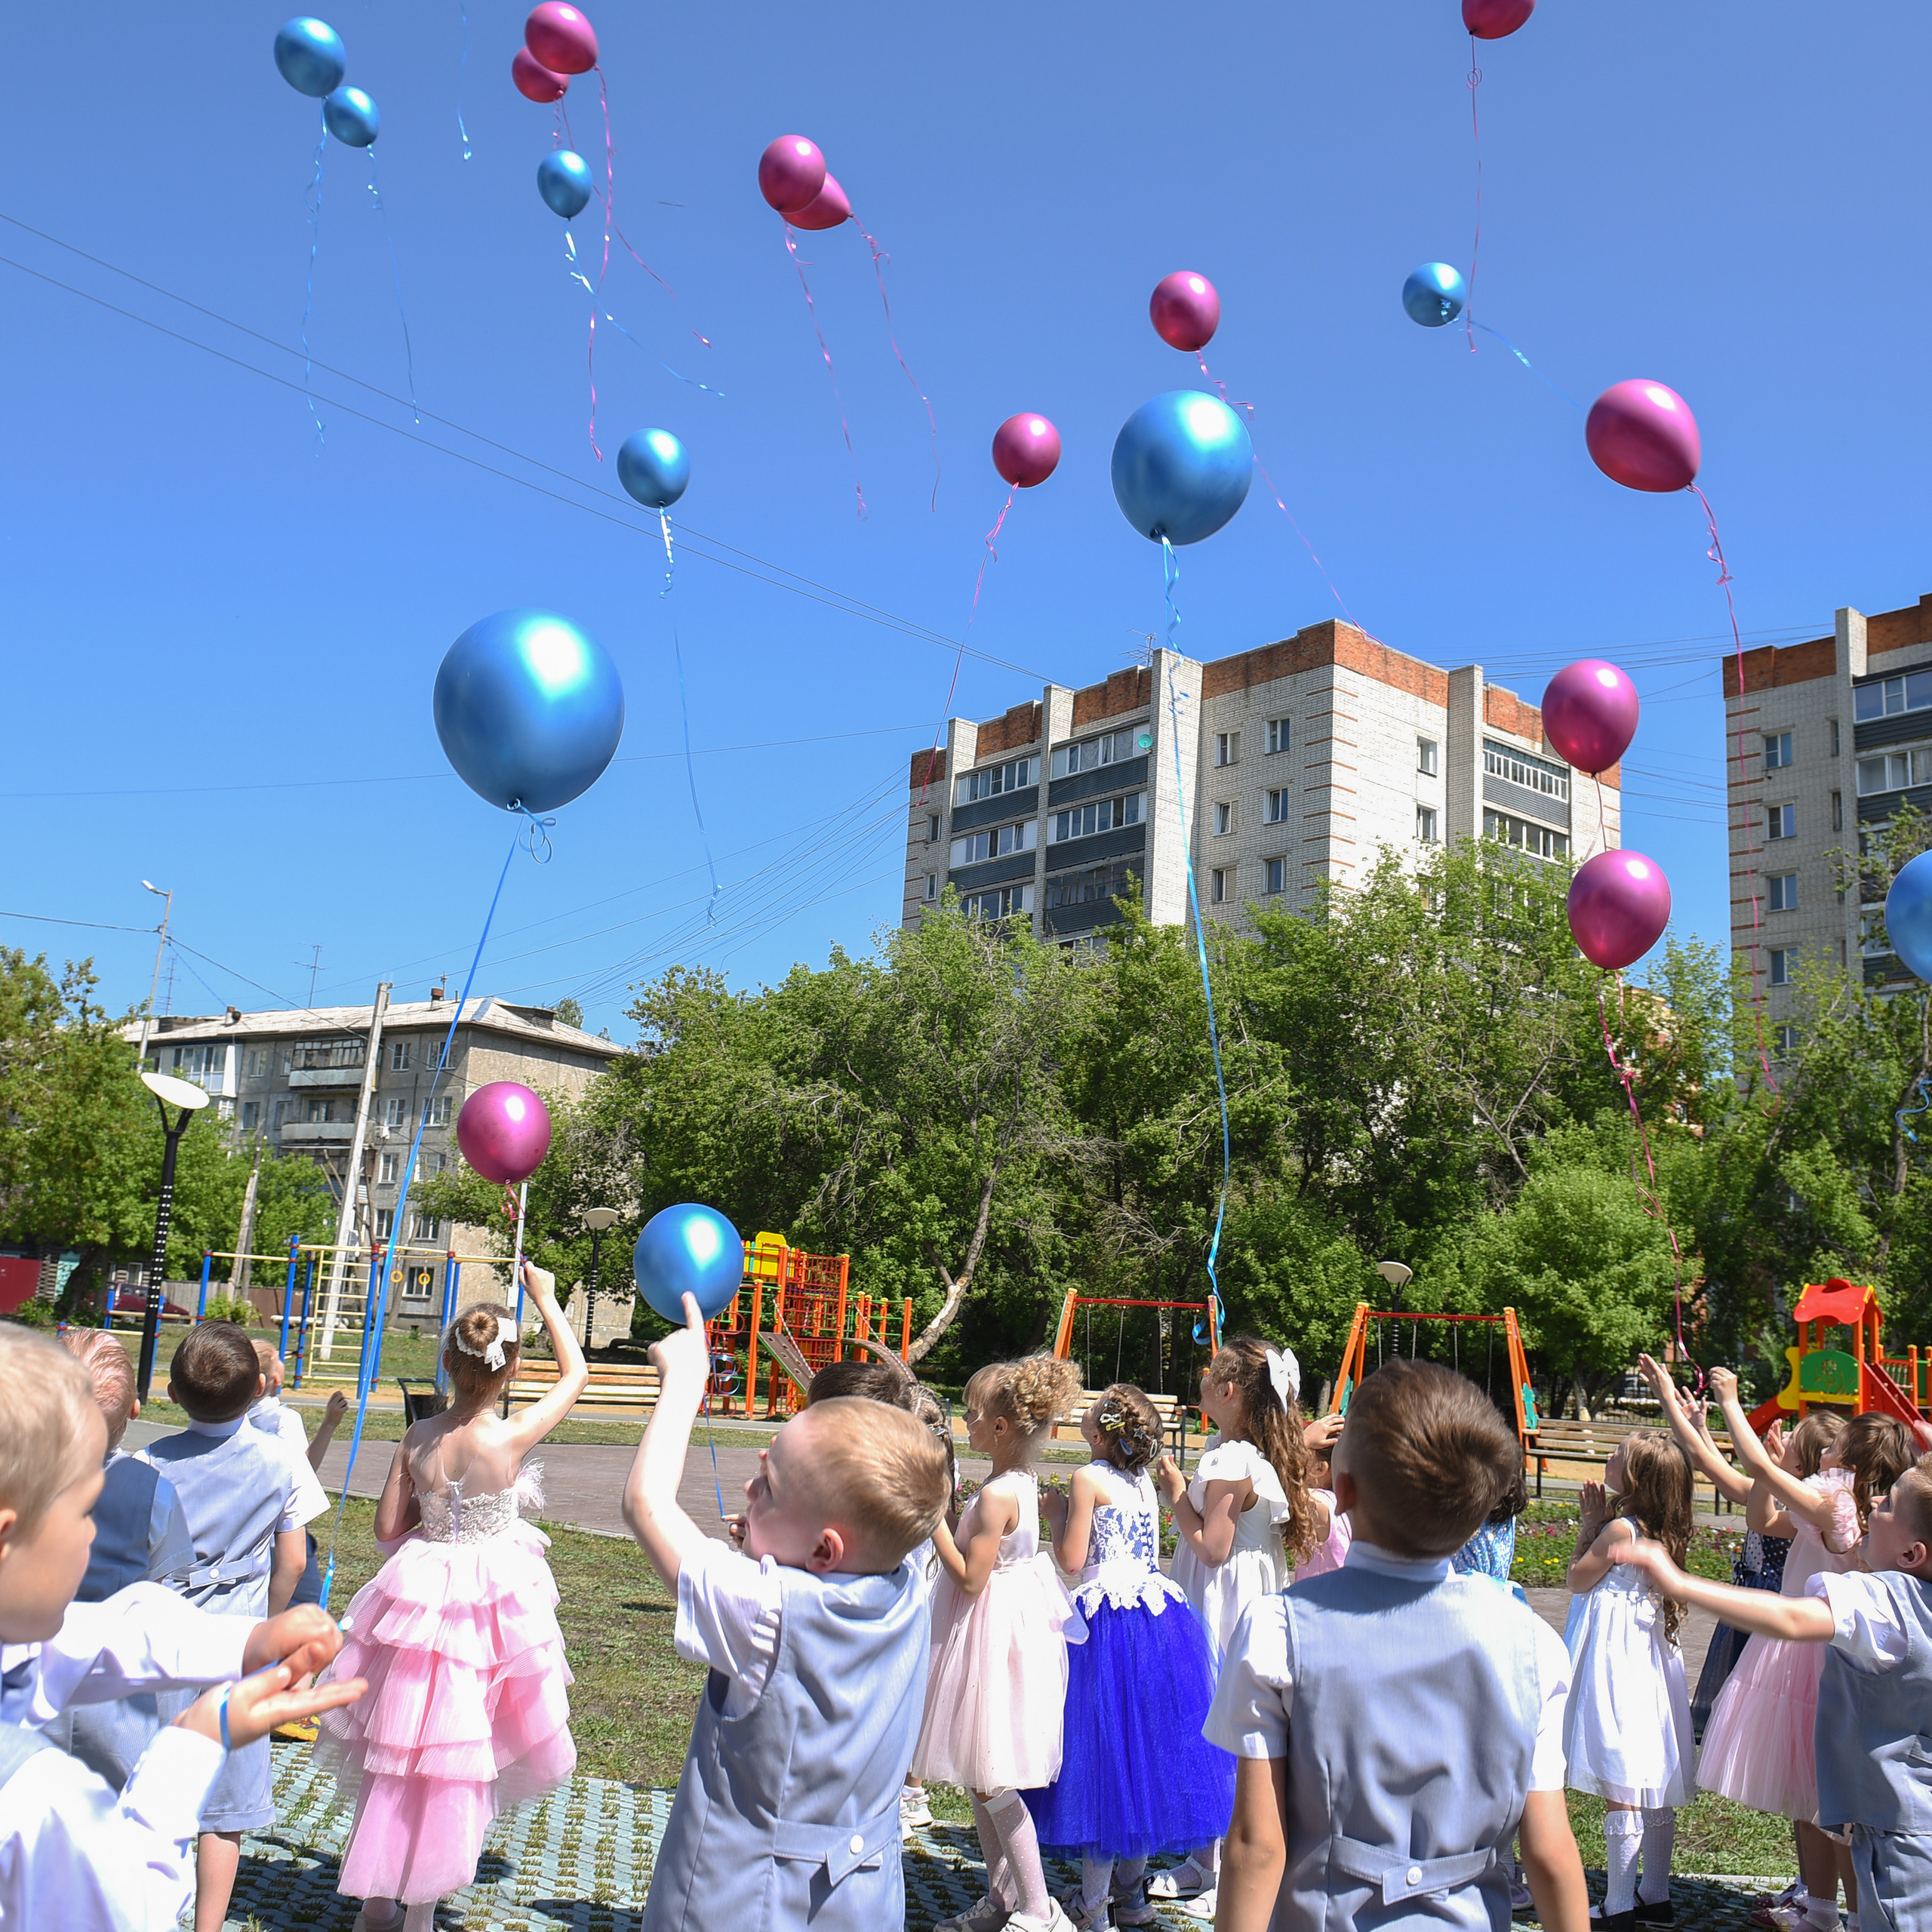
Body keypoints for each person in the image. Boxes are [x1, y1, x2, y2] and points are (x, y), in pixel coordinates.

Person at [0, 1324, 363, 1932]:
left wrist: (247, 1642)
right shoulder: (39, 1791)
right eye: (83, 1511)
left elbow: (104, 1637)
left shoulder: (23, 1648)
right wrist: (196, 1742)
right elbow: (129, 1904)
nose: (93, 1531)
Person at [1207, 1358, 1589, 1932]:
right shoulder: (1533, 1644)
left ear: (1342, 1490)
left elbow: (1256, 1845)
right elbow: (1550, 1852)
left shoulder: (1276, 1630)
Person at [623, 1293, 952, 1932]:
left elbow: (646, 1503)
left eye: (768, 1487)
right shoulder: (907, 1581)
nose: (750, 1490)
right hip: (861, 1900)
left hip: (743, 1901)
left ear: (825, 1550)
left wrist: (685, 1383)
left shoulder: (763, 1610)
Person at [312, 1263, 587, 1932]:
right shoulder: (509, 1435)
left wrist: (432, 1511)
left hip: (421, 1595)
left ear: (446, 1364)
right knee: (456, 1752)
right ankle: (419, 1914)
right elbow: (576, 1376)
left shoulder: (418, 1437)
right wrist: (547, 1300)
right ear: (510, 1370)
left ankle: (377, 1904)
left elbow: (387, 1530)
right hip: (485, 1608)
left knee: (399, 1749)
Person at [1612, 1458, 1932, 1932]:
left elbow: (1791, 1617)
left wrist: (1680, 1582)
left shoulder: (1888, 1602)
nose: (1877, 1501)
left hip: (1899, 1842)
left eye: (1889, 1507)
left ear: (1911, 1554)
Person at [1700, 1368, 1914, 1932]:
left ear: (1855, 1462)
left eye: (1837, 1446)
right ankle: (1821, 1911)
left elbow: (1756, 1465)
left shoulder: (1840, 1507)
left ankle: (1852, 1915)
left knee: (1830, 1808)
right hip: (1801, 1655)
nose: (1825, 1451)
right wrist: (1771, 1473)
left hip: (1820, 1657)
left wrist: (1730, 1402)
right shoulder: (1837, 1502)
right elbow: (1762, 1519)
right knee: (1807, 1799)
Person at [138, 1319, 329, 1932]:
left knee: (156, 1786)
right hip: (238, 1642)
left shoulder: (146, 1464)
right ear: (259, 1391)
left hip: (164, 1639)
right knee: (225, 1808)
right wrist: (269, 1627)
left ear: (173, 1393)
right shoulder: (282, 1459)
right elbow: (293, 1561)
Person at [1027, 1383, 1235, 1930]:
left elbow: (1073, 1561)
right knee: (1144, 1755)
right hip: (1157, 1615)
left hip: (1107, 1624)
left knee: (1103, 1758)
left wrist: (1055, 1514)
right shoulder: (1143, 1481)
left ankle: (1094, 1906)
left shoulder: (1087, 1479)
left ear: (1100, 1434)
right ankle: (1133, 1897)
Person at [1151, 1337, 1326, 1919]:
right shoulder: (1238, 1452)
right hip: (1240, 1592)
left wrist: (1176, 1495)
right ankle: (1206, 1858)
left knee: (1224, 1725)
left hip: (1225, 1601)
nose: (1201, 1380)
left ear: (1227, 1391)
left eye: (1209, 1374)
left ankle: (1226, 1871)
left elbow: (1212, 1547)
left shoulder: (1230, 1462)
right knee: (1213, 1724)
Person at [912, 1352, 1086, 1932]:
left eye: (972, 1414)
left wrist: (934, 1520)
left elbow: (970, 1578)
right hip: (1000, 1627)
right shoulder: (1020, 1482)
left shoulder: (996, 1496)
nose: (966, 1422)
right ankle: (1001, 1896)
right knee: (979, 1770)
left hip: (988, 1634)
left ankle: (1038, 1907)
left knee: (992, 1778)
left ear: (1001, 1427)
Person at [799, 1353, 955, 1841]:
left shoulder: (874, 1477)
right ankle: (888, 1800)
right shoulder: (901, 1467)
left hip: (874, 1612)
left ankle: (891, 1801)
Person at [1635, 1354, 1814, 1740]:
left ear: (1800, 1467)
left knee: (1756, 1707)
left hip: (1766, 1607)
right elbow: (1708, 1461)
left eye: (1792, 1439)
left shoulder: (1794, 1509)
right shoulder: (1771, 1493)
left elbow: (1710, 1462)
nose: (1782, 1435)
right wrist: (1698, 1426)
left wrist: (1669, 1397)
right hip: (1755, 1599)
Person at [45, 1329, 195, 1785]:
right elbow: (160, 1586)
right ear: (134, 1410)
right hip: (114, 1683)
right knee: (116, 1798)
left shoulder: (15, 1476)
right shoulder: (154, 1491)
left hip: (26, 1672)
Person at [1561, 1429, 1697, 1928]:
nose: (1609, 1458)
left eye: (1617, 1455)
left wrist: (1590, 1526)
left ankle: (1617, 1906)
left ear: (1635, 1477)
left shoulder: (1619, 1531)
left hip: (1614, 1660)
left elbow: (1577, 1578)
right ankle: (1655, 1895)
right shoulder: (1664, 1530)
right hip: (1650, 1659)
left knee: (1621, 1776)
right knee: (1650, 1774)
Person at [248, 1340, 334, 1609]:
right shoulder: (284, 1419)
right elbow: (304, 1470)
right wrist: (329, 1424)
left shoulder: (236, 1417)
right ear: (274, 1379)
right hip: (284, 1528)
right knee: (305, 1604)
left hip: (248, 1531)